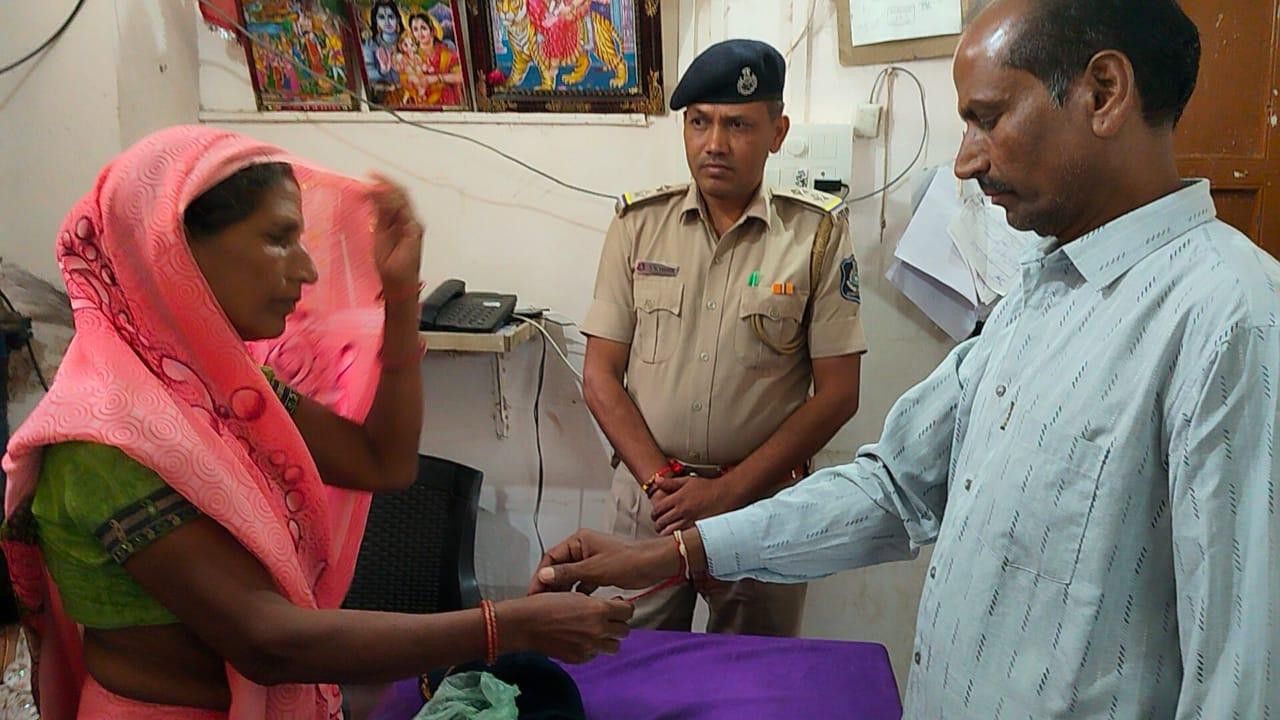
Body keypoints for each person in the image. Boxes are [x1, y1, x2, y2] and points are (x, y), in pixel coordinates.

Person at [534, 1, 1280, 716]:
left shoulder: (1231, 317)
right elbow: (895, 488)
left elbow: (1244, 676)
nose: (964, 162)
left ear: (1103, 93)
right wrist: (674, 554)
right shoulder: (1039, 294)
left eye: (986, 117)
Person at [1, 126, 631, 719]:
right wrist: (507, 626)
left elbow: (382, 461)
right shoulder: (105, 438)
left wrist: (403, 294)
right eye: (278, 238)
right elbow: (265, 641)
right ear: (173, 247)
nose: (305, 269)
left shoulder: (227, 392)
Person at [577, 39, 865, 637]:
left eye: (737, 124)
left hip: (762, 510)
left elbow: (839, 394)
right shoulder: (638, 226)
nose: (714, 143)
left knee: (752, 686)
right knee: (637, 671)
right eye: (699, 122)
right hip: (650, 505)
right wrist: (664, 485)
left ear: (777, 132)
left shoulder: (816, 233)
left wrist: (726, 493)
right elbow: (601, 375)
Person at [409, 13, 465, 107]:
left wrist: (436, 78)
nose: (419, 33)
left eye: (423, 28)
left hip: (447, 102)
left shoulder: (446, 53)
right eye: (415, 29)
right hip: (421, 103)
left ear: (433, 31)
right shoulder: (411, 56)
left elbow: (461, 76)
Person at [362, 0, 404, 87]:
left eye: (391, 17)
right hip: (383, 93)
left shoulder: (407, 42)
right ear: (375, 20)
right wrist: (382, 71)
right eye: (381, 17)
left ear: (398, 19)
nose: (387, 22)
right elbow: (367, 73)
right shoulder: (370, 45)